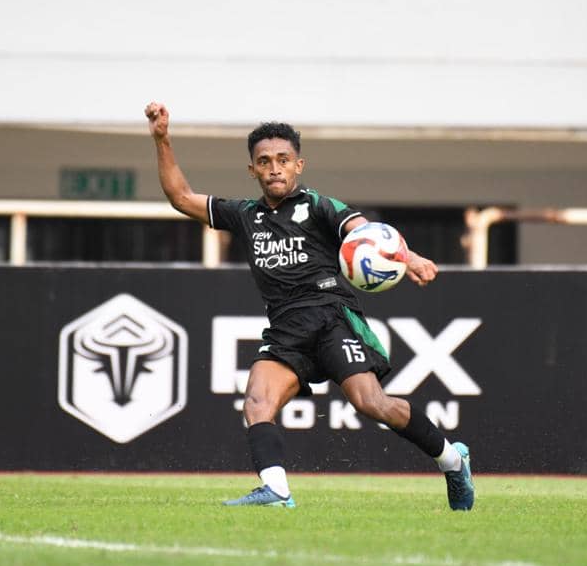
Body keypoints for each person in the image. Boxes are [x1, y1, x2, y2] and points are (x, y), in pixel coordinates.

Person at [144, 101, 475, 510]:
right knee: (257, 402)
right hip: (285, 328)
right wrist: (162, 139)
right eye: (264, 161)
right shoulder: (244, 215)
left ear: (298, 165)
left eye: (283, 160)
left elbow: (364, 233)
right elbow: (180, 196)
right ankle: (277, 489)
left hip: (331, 316)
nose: (274, 168)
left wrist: (409, 258)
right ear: (253, 171)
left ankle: (453, 460)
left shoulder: (319, 206)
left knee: (371, 403)